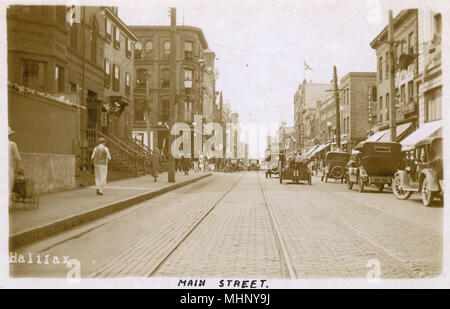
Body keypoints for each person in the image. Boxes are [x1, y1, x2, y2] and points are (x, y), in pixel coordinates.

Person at [9, 127, 21, 208]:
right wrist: (17, 169)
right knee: (8, 187)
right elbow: (18, 158)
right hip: (8, 169)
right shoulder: (12, 144)